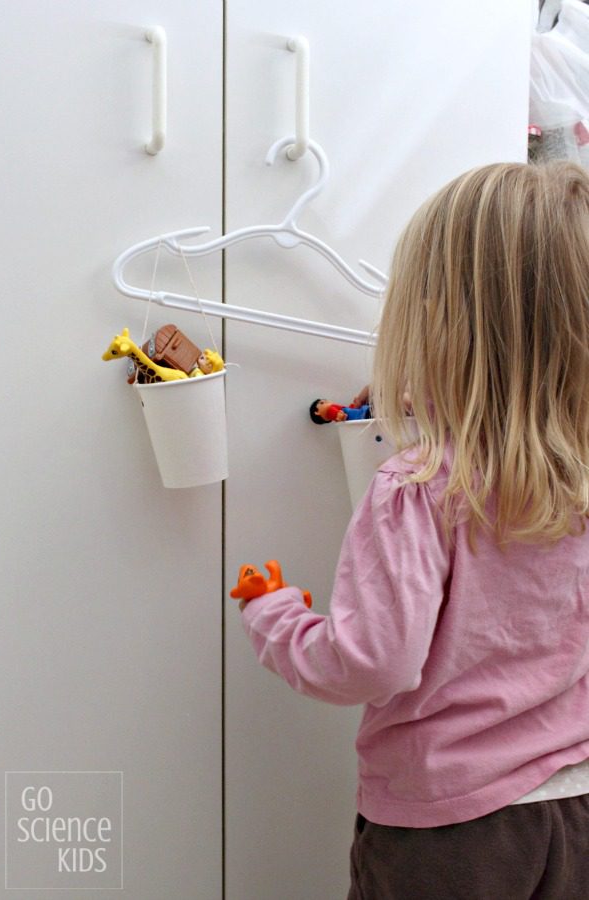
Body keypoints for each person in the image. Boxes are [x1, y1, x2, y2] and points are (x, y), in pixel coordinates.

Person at [235, 161, 589, 899]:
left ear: (441, 327)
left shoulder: (420, 488)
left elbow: (372, 662)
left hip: (453, 835)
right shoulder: (576, 482)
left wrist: (275, 618)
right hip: (574, 804)